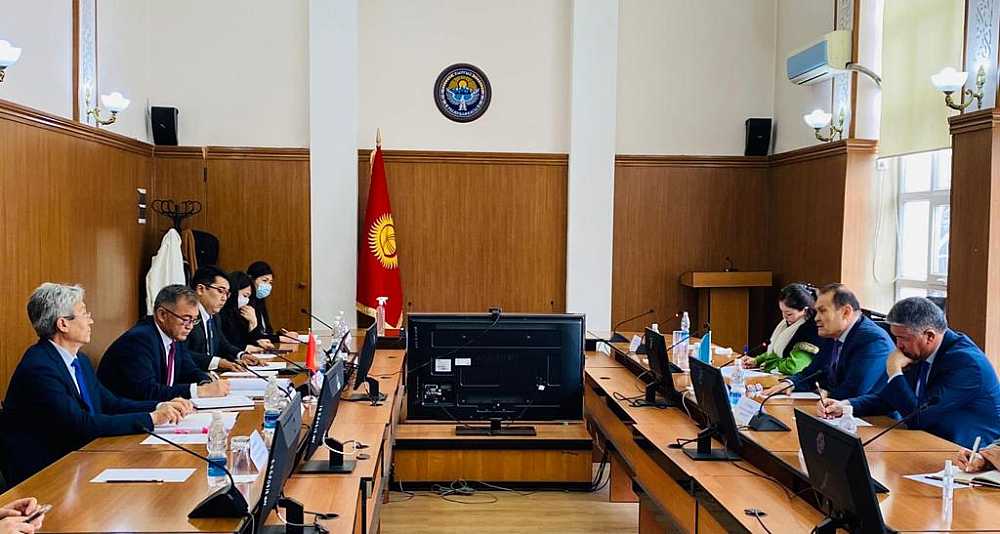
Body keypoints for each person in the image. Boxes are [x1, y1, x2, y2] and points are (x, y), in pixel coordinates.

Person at [1, 284, 189, 485]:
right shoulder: (39, 368)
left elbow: (110, 403)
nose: (90, 320)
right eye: (84, 313)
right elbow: (80, 425)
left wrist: (159, 406)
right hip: (45, 475)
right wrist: (152, 418)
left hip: (81, 459)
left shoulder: (79, 360)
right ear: (63, 324)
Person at [819, 297, 1000, 450]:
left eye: (903, 338)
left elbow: (918, 418)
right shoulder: (920, 351)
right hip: (929, 443)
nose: (898, 345)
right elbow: (887, 399)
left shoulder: (966, 364)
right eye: (895, 337)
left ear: (929, 336)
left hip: (967, 454)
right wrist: (846, 406)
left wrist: (894, 371)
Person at [98, 285, 230, 402]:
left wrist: (206, 382)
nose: (190, 326)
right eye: (186, 319)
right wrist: (199, 391)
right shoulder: (139, 340)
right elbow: (147, 392)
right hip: (128, 415)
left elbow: (190, 370)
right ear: (162, 315)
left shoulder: (174, 336)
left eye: (194, 320)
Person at [762, 284, 893, 399]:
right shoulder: (833, 334)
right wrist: (790, 383)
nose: (816, 318)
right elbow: (812, 372)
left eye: (823, 311)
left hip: (873, 418)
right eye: (817, 312)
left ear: (846, 312)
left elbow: (853, 392)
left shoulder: (872, 341)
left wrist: (827, 394)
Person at [186, 266, 261, 371]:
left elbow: (223, 344)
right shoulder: (186, 316)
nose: (224, 298)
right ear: (201, 289)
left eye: (227, 293)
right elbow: (182, 353)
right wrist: (218, 362)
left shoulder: (215, 317)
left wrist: (241, 355)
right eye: (220, 291)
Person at [741, 283, 822, 375]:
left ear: (804, 310)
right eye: (782, 312)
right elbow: (777, 351)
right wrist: (757, 360)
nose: (784, 317)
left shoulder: (810, 331)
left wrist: (769, 364)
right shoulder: (788, 324)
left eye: (789, 314)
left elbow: (793, 367)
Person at [246, 260, 298, 347]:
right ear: (251, 279)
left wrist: (281, 334)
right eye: (264, 280)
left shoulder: (260, 300)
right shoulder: (245, 302)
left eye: (270, 282)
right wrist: (279, 338)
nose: (268, 285)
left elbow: (267, 332)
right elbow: (254, 336)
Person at [218, 271, 265, 351]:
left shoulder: (240, 313)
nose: (247, 300)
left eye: (249, 297)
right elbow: (226, 344)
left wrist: (253, 323)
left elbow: (248, 340)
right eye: (245, 295)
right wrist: (246, 347)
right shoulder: (220, 314)